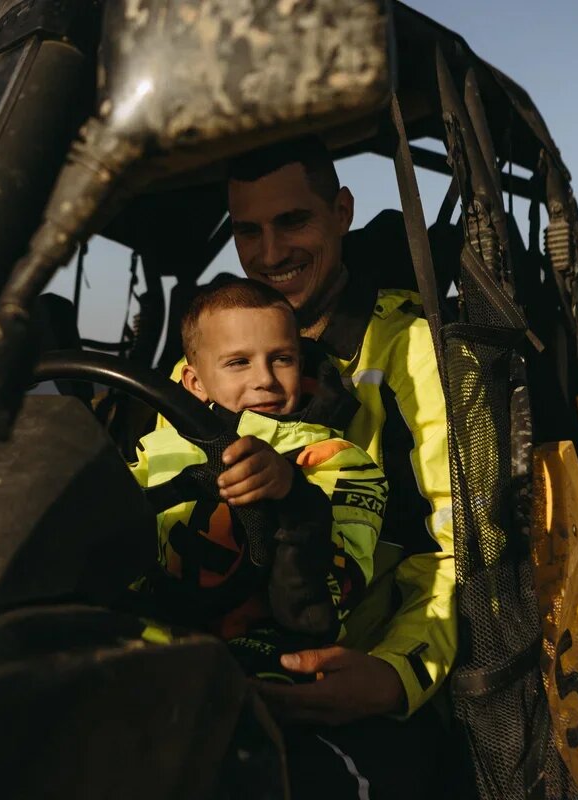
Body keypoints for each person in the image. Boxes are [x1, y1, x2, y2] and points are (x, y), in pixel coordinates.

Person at [180, 136, 462, 797]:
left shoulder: (413, 350)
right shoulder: (203, 362)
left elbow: (460, 549)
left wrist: (395, 676)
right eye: (248, 231)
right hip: (211, 672)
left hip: (353, 672)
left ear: (341, 211)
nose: (271, 253)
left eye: (294, 221)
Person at [130, 279, 387, 671]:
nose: (265, 379)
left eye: (282, 359)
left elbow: (317, 614)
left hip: (270, 660)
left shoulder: (336, 461)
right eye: (239, 362)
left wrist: (293, 499)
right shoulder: (157, 451)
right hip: (151, 643)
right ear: (195, 384)